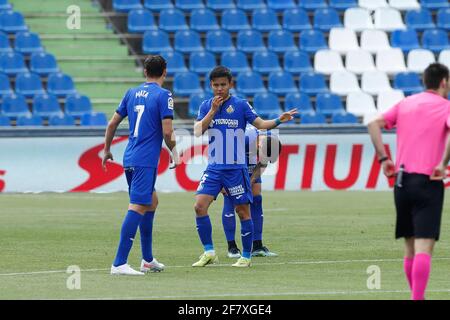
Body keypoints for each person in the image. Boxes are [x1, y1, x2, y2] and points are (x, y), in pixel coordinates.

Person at [192, 66, 297, 268]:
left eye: (223, 85)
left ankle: (246, 256)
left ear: (230, 84)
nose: (220, 89)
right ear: (211, 86)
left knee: (243, 211)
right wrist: (212, 111)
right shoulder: (206, 106)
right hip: (214, 168)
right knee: (199, 206)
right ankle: (209, 252)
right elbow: (197, 131)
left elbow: (260, 124)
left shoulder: (241, 105)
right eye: (216, 85)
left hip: (236, 168)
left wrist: (278, 120)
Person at [367, 63, 450, 300]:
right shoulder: (445, 107)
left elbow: (373, 124)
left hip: (402, 183)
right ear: (444, 82)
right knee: (425, 247)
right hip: (428, 181)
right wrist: (443, 163)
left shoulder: (406, 103)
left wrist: (384, 158)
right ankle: (417, 298)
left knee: (410, 247)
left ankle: (417, 296)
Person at [102, 55, 179, 276]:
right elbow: (167, 131)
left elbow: (112, 123)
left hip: (130, 158)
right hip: (145, 160)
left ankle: (147, 259)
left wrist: (107, 150)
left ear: (145, 72)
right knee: (137, 205)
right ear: (165, 71)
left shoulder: (131, 93)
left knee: (151, 202)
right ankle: (119, 263)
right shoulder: (164, 95)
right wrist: (174, 151)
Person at [222, 124, 282, 258]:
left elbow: (264, 162)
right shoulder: (241, 138)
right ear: (259, 147)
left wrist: (250, 182)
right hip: (230, 160)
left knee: (256, 199)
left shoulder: (269, 140)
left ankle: (257, 246)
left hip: (250, 161)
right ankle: (232, 247)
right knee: (230, 199)